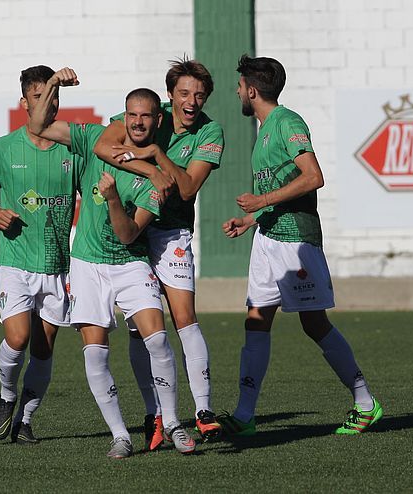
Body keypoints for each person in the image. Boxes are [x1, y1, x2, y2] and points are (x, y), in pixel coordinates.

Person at [28, 67, 196, 459]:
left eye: (146, 117)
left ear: (158, 121)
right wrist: (53, 84)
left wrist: (114, 199)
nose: (137, 123)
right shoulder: (93, 141)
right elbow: (38, 125)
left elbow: (128, 235)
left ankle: (171, 422)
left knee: (157, 338)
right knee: (96, 351)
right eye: (131, 115)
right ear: (123, 117)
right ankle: (120, 434)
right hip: (87, 264)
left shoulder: (160, 181)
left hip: (129, 263)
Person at [220, 54, 383, 436]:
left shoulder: (287, 122)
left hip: (295, 240)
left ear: (252, 90)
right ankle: (245, 416)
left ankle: (365, 401)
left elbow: (313, 177)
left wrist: (261, 201)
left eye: (240, 87)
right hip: (267, 236)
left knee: (314, 323)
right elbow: (281, 190)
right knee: (256, 322)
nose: (238, 93)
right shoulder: (264, 130)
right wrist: (251, 219)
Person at [92, 58, 224, 448]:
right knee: (140, 329)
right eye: (184, 93)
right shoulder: (150, 113)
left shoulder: (210, 131)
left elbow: (185, 189)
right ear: (170, 95)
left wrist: (154, 155)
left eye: (199, 94)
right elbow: (102, 144)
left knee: (184, 318)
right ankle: (155, 415)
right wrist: (149, 169)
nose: (191, 100)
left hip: (170, 235)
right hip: (132, 233)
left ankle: (203, 411)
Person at [0, 65, 79, 445]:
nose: (48, 103)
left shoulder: (72, 150)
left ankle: (26, 420)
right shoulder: (3, 147)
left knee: (44, 349)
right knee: (18, 338)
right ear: (24, 102)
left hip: (56, 265)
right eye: (39, 96)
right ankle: (6, 396)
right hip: (15, 261)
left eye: (53, 96)